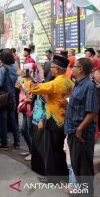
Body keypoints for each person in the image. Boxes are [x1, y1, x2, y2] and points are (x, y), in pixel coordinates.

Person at [24, 55, 74, 183]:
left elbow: (33, 89)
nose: (51, 69)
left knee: (51, 150)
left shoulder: (55, 83)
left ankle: (52, 177)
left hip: (53, 119)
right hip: (64, 118)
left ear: (56, 69)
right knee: (61, 149)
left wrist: (26, 79)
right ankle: (63, 173)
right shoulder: (69, 82)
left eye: (52, 67)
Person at [65, 57, 99, 197]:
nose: (71, 68)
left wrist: (80, 129)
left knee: (84, 169)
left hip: (82, 134)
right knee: (77, 167)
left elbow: (92, 112)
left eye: (74, 66)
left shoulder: (89, 86)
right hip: (72, 131)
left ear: (80, 69)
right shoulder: (78, 84)